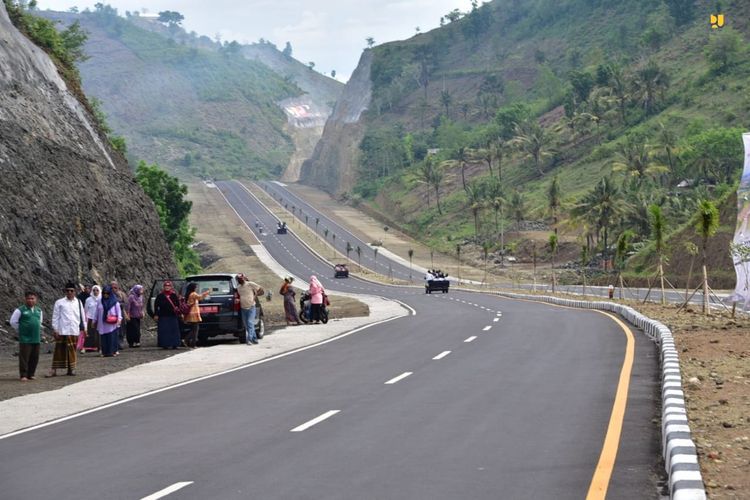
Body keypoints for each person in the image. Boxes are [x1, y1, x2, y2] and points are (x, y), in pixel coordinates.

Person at [47, 282, 86, 377]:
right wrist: (55, 329)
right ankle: (54, 370)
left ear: (75, 291)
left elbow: (82, 316)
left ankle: (71, 369)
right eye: (67, 291)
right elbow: (55, 317)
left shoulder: (79, 302)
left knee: (72, 351)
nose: (69, 292)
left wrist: (85, 328)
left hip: (74, 330)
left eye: (71, 291)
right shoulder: (59, 302)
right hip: (62, 330)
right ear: (65, 291)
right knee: (59, 350)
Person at [10, 291, 43, 381]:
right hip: (25, 338)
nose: (30, 300)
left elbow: (39, 322)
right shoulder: (20, 310)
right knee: (24, 357)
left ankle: (31, 374)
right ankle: (23, 375)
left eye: (32, 298)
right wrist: (21, 329)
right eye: (28, 298)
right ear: (25, 299)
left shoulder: (39, 310)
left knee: (35, 357)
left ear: (36, 299)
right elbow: (13, 322)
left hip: (36, 337)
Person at [95, 285, 122, 357]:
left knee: (111, 337)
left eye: (107, 293)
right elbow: (97, 312)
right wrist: (94, 320)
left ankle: (112, 351)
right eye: (104, 293)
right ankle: (104, 352)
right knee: (103, 338)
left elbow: (119, 312)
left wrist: (119, 319)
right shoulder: (100, 301)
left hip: (112, 323)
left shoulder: (115, 302)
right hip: (102, 322)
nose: (105, 295)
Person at [153, 281, 181, 349]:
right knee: (164, 331)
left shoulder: (174, 295)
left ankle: (175, 344)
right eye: (166, 286)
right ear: (164, 287)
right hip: (163, 316)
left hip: (172, 315)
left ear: (171, 287)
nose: (167, 287)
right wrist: (156, 314)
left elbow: (178, 304)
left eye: (168, 286)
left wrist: (179, 312)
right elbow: (156, 305)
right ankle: (165, 344)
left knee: (174, 330)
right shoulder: (160, 295)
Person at [237, 273, 263, 345]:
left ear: (244, 278)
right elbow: (240, 296)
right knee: (247, 325)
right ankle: (255, 339)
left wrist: (255, 296)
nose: (240, 280)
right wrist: (238, 300)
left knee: (250, 322)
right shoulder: (238, 287)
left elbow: (260, 289)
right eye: (238, 279)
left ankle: (249, 339)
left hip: (251, 307)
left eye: (241, 279)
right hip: (243, 308)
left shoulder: (250, 284)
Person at [182, 282, 210, 348]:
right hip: (194, 314)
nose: (196, 288)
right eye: (196, 287)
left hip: (191, 314)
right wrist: (207, 292)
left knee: (193, 329)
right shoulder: (193, 294)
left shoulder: (189, 294)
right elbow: (200, 297)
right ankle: (191, 343)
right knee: (195, 330)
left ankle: (188, 341)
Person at [84, 285, 101, 352]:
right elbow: (86, 309)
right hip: (90, 318)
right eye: (94, 290)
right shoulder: (88, 299)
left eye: (97, 290)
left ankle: (99, 347)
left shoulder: (101, 299)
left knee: (99, 333)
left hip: (99, 318)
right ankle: (89, 347)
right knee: (90, 333)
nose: (95, 292)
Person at [111, 280, 128, 349]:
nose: (114, 289)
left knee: (121, 329)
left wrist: (118, 304)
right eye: (112, 288)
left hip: (121, 313)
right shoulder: (108, 295)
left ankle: (120, 343)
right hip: (112, 314)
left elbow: (126, 303)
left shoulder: (121, 294)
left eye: (115, 287)